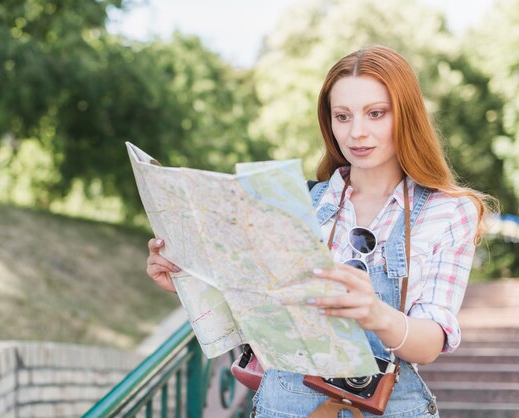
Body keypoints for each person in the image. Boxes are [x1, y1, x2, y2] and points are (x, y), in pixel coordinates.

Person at [145, 45, 493, 417]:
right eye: (342, 116)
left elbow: (430, 343)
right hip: (287, 406)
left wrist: (376, 314)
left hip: (391, 407)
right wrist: (190, 280)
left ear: (405, 116)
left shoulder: (449, 211)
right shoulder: (294, 203)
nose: (357, 132)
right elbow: (259, 320)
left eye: (375, 113)